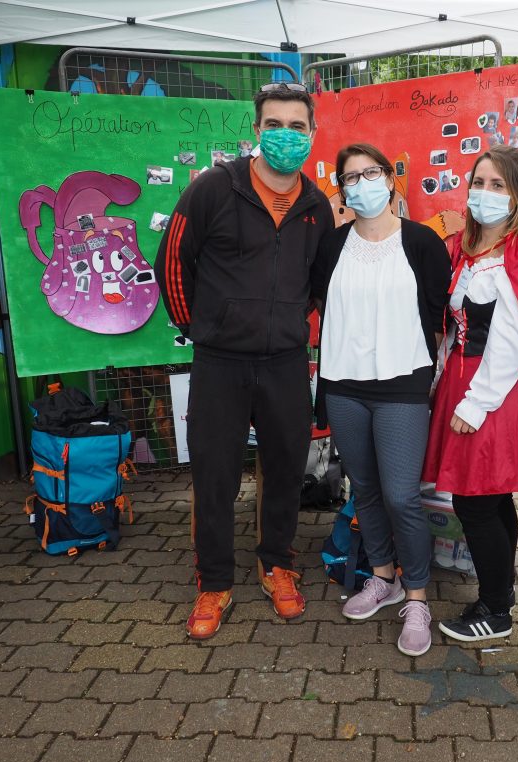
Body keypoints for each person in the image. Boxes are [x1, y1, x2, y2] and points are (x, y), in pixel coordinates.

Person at [153, 82, 334, 639]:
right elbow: (173, 264)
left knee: (285, 470)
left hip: (284, 362)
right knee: (214, 475)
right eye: (274, 125)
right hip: (220, 362)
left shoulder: (315, 206)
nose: (285, 135)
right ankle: (214, 583)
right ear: (257, 130)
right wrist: (200, 328)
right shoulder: (212, 188)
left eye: (296, 126)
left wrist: (284, 325)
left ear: (311, 134)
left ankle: (276, 565)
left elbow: (316, 283)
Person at [422, 145, 518, 642]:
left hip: (494, 388)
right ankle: (500, 590)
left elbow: (513, 335)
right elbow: (454, 326)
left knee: (475, 502)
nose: (484, 193)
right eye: (479, 183)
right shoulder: (467, 247)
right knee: (490, 497)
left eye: (498, 185)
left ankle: (495, 610)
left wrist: (475, 401)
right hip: (463, 379)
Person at [311, 143, 450, 656]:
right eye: (350, 177)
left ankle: (417, 597)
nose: (361, 183)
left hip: (402, 386)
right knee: (364, 488)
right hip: (345, 384)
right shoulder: (331, 245)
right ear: (342, 189)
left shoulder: (421, 243)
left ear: (390, 179)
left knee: (400, 494)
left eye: (370, 173)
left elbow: (437, 312)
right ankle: (383, 577)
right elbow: (320, 302)